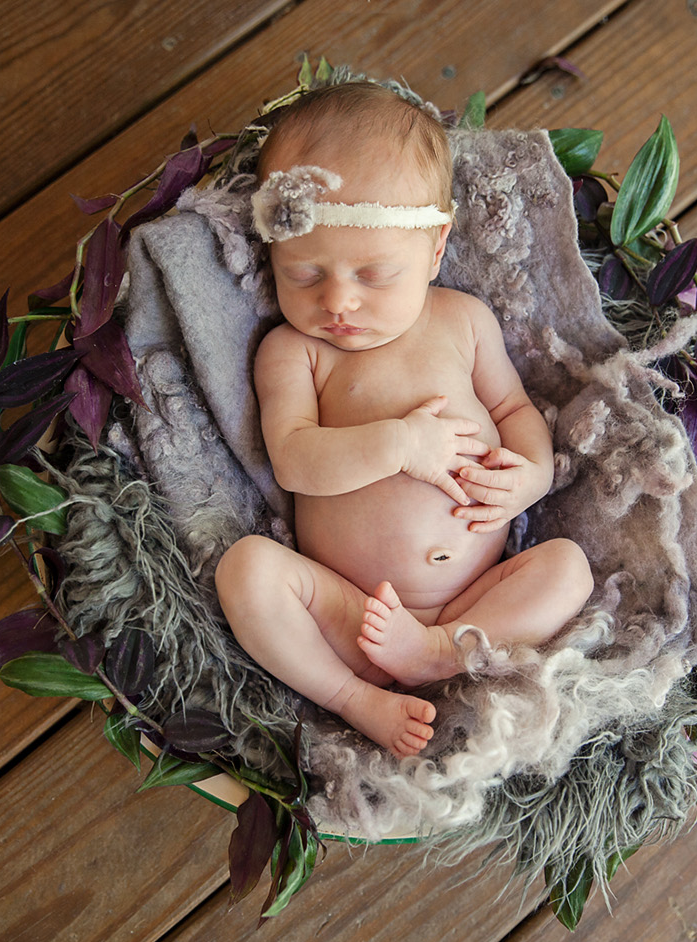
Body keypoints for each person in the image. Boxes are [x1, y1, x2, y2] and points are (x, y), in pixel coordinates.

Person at [215, 82, 594, 757]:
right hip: (345, 613)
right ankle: (354, 697)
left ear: (436, 246)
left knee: (569, 570)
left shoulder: (463, 322)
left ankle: (438, 653)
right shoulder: (294, 352)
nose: (339, 302)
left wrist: (532, 475)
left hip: (474, 605)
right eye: (303, 275)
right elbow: (296, 458)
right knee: (246, 571)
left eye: (375, 274)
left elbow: (513, 410)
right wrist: (400, 445)